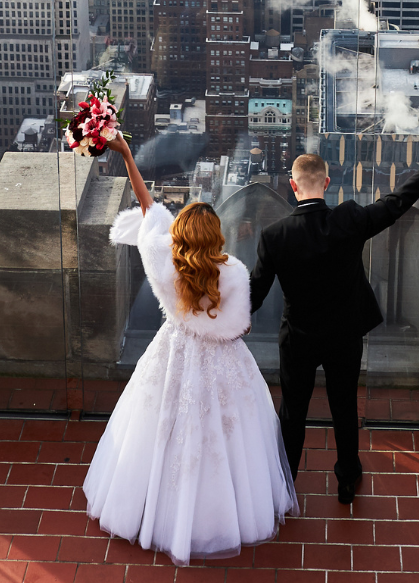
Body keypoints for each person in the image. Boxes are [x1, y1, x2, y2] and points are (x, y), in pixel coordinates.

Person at [82, 135, 298, 566]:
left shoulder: (162, 260)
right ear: (217, 236)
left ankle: (153, 510)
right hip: (223, 362)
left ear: (179, 234)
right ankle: (222, 517)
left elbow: (149, 212)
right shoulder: (232, 272)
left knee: (161, 429)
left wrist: (127, 153)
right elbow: (239, 326)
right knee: (228, 437)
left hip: (174, 351)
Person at [250, 121, 419, 504]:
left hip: (298, 338)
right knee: (344, 408)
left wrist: (222, 319)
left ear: (293, 186)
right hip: (344, 334)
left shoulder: (274, 236)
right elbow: (395, 204)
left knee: (292, 413)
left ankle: (285, 485)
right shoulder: (347, 220)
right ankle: (347, 481)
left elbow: (255, 293)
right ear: (326, 184)